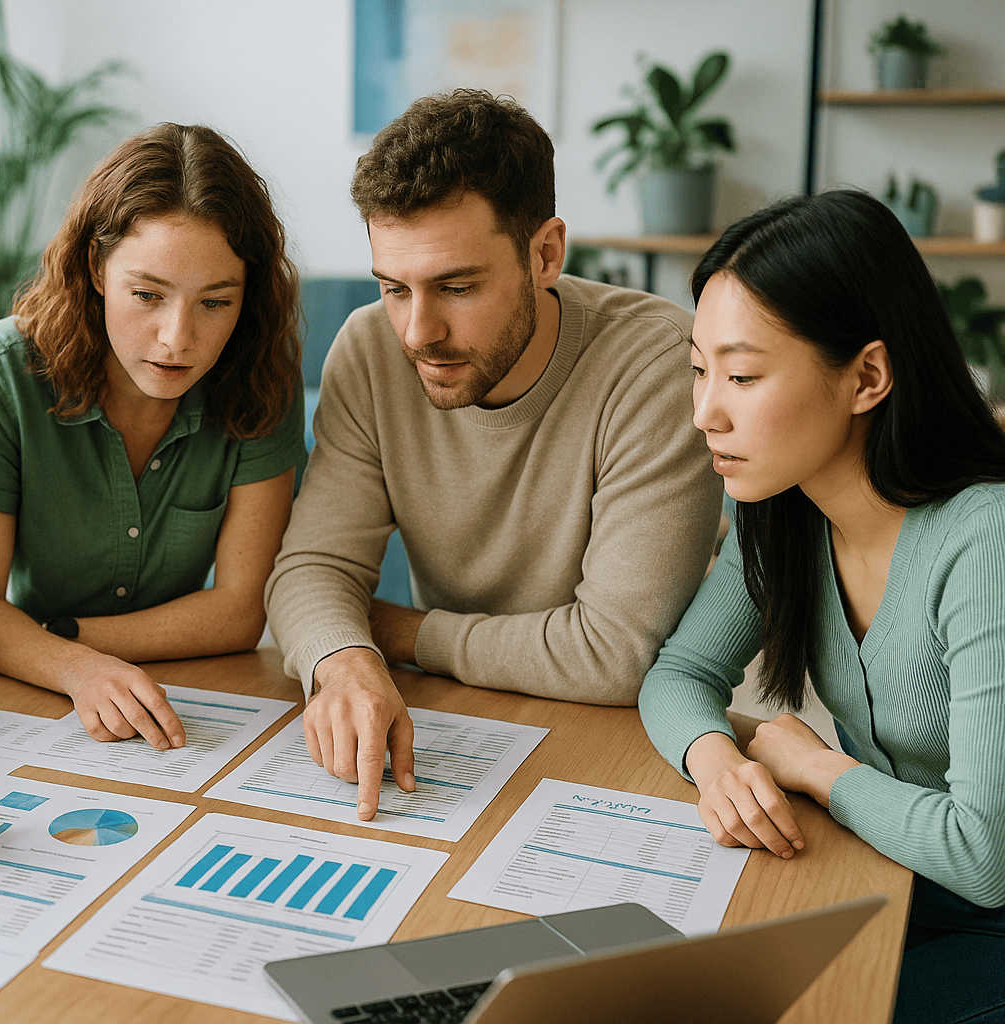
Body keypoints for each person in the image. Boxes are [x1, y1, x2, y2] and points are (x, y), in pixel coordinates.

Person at [266, 89, 723, 820]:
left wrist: (402, 632)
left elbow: (613, 655)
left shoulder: (658, 360)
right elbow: (313, 568)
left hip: (619, 749)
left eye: (456, 287)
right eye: (394, 288)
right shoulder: (369, 347)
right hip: (453, 726)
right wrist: (343, 660)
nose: (417, 331)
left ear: (545, 253)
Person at [637, 189, 1005, 1024]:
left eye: (741, 375)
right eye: (699, 370)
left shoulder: (985, 539)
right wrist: (716, 762)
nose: (706, 412)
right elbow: (680, 673)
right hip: (894, 875)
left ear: (867, 376)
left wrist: (813, 767)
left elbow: (983, 856)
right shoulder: (784, 509)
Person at [0, 122, 305, 750]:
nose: (176, 338)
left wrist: (63, 636)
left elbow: (239, 612)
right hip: (28, 690)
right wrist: (76, 669)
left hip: (188, 690)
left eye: (216, 302)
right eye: (147, 294)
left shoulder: (263, 379)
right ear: (98, 268)